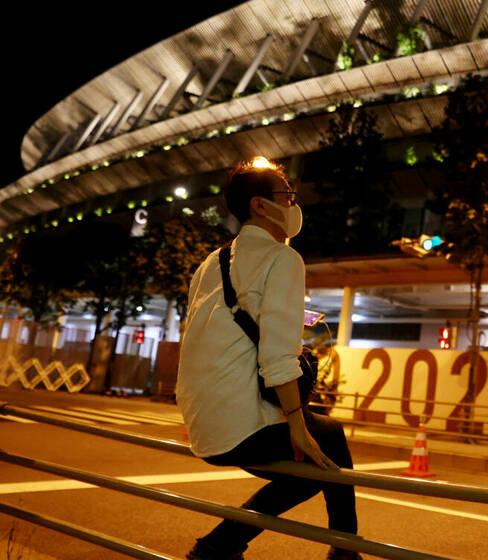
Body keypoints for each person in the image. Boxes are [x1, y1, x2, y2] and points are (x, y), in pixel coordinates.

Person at [176, 157, 360, 560]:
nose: (293, 203)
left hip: (202, 425)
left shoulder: (212, 262)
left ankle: (221, 546)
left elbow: (194, 338)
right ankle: (345, 551)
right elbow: (277, 353)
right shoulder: (283, 259)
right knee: (327, 443)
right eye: (286, 194)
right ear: (260, 205)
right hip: (241, 428)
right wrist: (296, 424)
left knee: (317, 457)